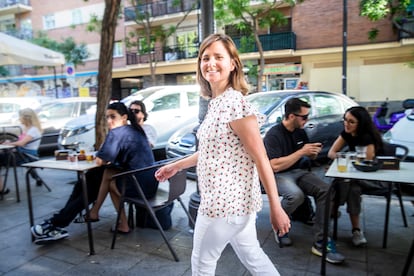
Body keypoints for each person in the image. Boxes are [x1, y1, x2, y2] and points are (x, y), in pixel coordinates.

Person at [155, 33, 290, 276]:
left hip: (222, 207)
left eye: (218, 57)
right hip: (236, 207)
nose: (210, 63)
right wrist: (177, 165)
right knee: (253, 257)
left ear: (233, 64)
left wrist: (276, 207)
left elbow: (261, 158)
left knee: (202, 265)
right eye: (205, 58)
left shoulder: (234, 103)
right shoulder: (217, 102)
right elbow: (212, 150)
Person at [31, 102, 156, 242]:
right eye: (107, 117)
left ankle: (58, 222)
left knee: (92, 182)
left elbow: (99, 161)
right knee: (93, 179)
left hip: (137, 186)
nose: (109, 121)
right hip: (149, 183)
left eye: (113, 116)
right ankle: (63, 220)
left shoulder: (118, 133)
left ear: (124, 117)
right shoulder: (135, 130)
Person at [263, 97, 345, 264]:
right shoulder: (274, 134)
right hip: (278, 175)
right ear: (291, 116)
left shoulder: (300, 131)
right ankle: (280, 228)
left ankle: (321, 241)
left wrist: (312, 153)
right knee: (296, 195)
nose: (307, 120)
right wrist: (301, 152)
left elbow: (306, 155)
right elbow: (274, 166)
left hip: (298, 171)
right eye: (304, 117)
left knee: (326, 189)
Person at [327, 106, 384, 247]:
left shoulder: (367, 137)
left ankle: (333, 208)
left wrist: (346, 158)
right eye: (345, 120)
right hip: (355, 179)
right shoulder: (346, 133)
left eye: (351, 122)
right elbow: (331, 153)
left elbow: (367, 161)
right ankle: (356, 231)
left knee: (342, 183)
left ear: (361, 123)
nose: (346, 124)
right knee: (353, 189)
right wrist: (346, 158)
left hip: (375, 178)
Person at [0, 108, 43, 195]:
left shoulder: (33, 130)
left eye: (20, 117)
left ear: (26, 118)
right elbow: (21, 142)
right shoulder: (28, 128)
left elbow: (22, 143)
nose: (19, 119)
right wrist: (10, 143)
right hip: (22, 154)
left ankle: (2, 189)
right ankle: (1, 188)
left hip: (26, 156)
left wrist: (10, 144)